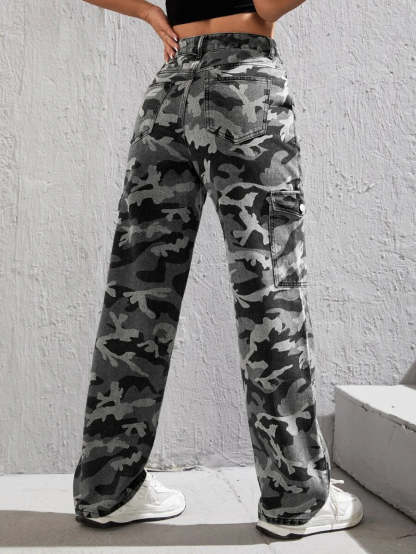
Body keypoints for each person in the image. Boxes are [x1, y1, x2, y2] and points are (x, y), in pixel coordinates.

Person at [73, 0, 364, 538]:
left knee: (135, 290)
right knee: (269, 289)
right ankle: (296, 498)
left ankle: (107, 488)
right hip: (243, 87)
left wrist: (148, 12)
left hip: (168, 92)